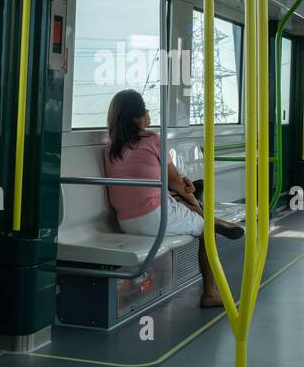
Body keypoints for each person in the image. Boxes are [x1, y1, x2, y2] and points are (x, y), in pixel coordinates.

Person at [103, 89, 243, 307]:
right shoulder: (153, 139)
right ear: (136, 116)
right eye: (145, 110)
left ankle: (207, 217)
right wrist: (192, 198)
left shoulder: (111, 146)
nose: (148, 114)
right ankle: (210, 293)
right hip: (153, 217)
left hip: (126, 221)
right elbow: (175, 180)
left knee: (181, 204)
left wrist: (179, 188)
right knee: (206, 231)